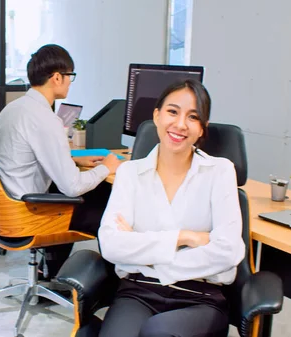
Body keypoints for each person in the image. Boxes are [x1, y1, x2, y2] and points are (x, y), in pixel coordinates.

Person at [98, 79, 246, 337]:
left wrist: (145, 254)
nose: (180, 124)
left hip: (200, 297)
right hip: (138, 291)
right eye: (172, 111)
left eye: (193, 117)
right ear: (156, 116)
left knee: (158, 333)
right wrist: (184, 237)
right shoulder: (130, 173)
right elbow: (111, 244)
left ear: (202, 129)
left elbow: (229, 252)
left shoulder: (220, 171)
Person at [0, 44, 122, 278]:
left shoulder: (14, 109)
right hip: (27, 213)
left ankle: (51, 272)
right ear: (57, 77)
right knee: (112, 209)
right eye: (71, 76)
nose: (71, 81)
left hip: (4, 208)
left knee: (97, 193)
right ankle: (111, 288)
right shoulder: (45, 119)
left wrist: (70, 159)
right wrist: (107, 167)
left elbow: (25, 154)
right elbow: (72, 187)